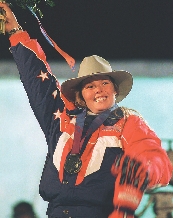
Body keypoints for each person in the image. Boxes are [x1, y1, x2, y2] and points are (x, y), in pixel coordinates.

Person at [1, 2, 172, 218]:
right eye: (90, 86)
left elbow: (156, 159)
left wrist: (142, 170)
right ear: (81, 95)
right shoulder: (62, 120)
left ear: (115, 90)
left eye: (104, 84)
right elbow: (37, 80)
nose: (98, 90)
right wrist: (15, 31)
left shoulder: (128, 122)